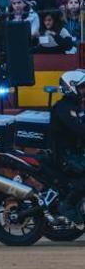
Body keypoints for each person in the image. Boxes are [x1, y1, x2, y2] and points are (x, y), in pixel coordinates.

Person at [50, 70, 85, 223]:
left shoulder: (77, 106)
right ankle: (68, 205)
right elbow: (78, 129)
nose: (84, 90)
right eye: (82, 87)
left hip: (75, 153)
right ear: (71, 87)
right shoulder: (63, 107)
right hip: (65, 155)